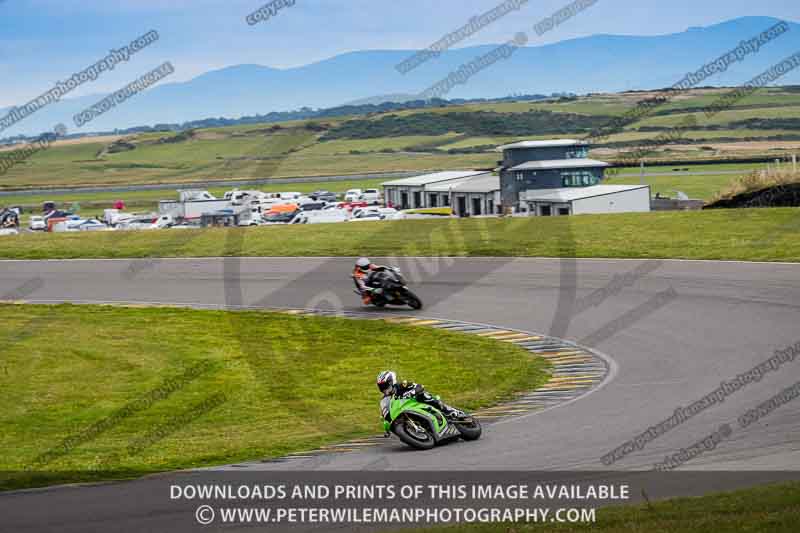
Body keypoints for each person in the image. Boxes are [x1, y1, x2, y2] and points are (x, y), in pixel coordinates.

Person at [376, 370, 463, 433]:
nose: (383, 388)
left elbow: (419, 386)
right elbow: (386, 413)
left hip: (417, 402)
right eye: (381, 386)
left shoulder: (402, 385)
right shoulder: (385, 400)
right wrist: (386, 423)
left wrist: (412, 392)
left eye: (384, 385)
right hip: (405, 411)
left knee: (424, 395)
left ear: (391, 382)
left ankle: (449, 411)